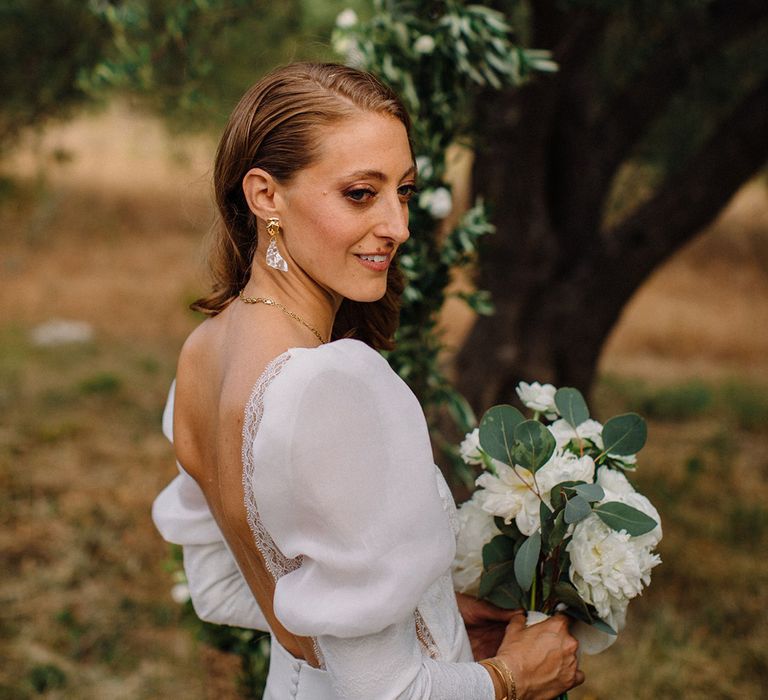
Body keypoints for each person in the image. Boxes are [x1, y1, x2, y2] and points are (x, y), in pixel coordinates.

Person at [152, 62, 583, 699]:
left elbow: (221, 588)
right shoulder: (332, 388)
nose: (398, 227)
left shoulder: (203, 352)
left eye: (403, 192)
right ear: (266, 195)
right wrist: (515, 677)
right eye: (361, 194)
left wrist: (425, 615)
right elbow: (392, 692)